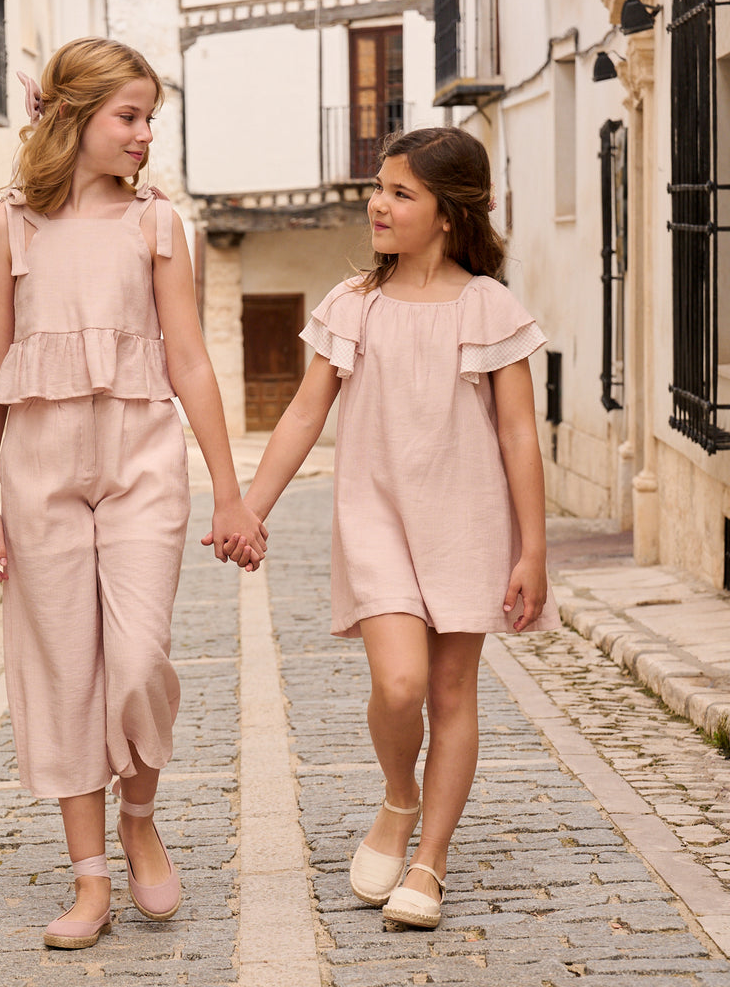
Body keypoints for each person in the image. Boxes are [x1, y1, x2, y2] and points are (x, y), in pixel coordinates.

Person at [219, 126, 560, 929]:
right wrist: (248, 506)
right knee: (400, 683)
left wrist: (533, 551)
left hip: (468, 519)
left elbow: (518, 435)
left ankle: (431, 864)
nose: (378, 202)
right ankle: (399, 799)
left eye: (401, 193)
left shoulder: (490, 308)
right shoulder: (353, 305)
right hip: (374, 513)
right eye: (380, 186)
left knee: (450, 689)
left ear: (447, 215)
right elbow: (307, 410)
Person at [0, 37, 267, 950]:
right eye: (128, 117)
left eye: (149, 118)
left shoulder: (156, 225)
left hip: (142, 463)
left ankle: (139, 811)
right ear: (72, 117)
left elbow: (188, 360)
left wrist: (231, 492)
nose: (144, 135)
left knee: (138, 660)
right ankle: (90, 880)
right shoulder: (7, 224)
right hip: (39, 471)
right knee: (62, 667)